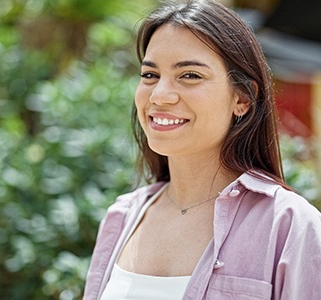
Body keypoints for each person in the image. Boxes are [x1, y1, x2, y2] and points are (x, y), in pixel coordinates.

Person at [83, 0, 321, 299]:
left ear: (243, 99)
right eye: (150, 75)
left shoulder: (288, 225)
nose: (160, 95)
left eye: (190, 75)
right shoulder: (121, 217)